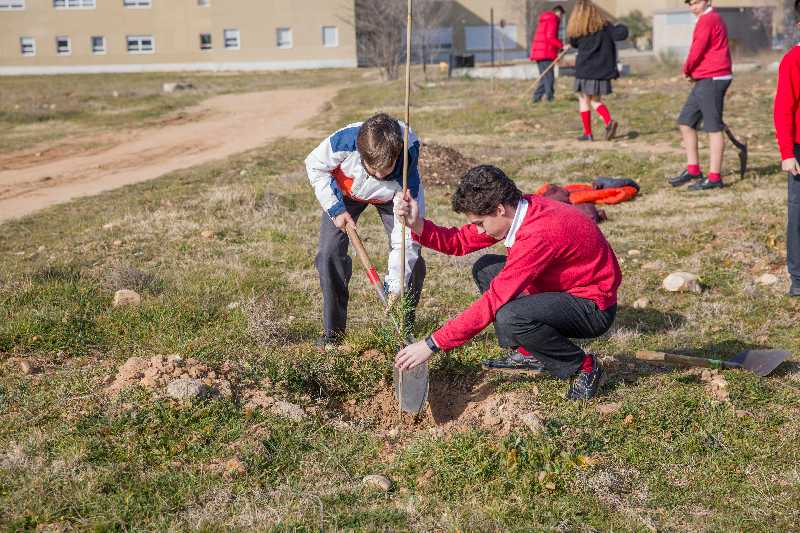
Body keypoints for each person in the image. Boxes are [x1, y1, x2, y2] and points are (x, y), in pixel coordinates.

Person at [393, 165, 621, 400]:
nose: (479, 229)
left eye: (480, 223)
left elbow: (492, 302)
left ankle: (584, 367)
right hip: (558, 288)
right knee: (486, 268)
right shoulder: (521, 210)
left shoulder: (538, 233)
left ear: (499, 209)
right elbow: (459, 242)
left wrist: (431, 344)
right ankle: (530, 352)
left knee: (511, 316)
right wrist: (416, 223)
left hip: (592, 306)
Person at [305, 113, 427, 348]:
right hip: (345, 194)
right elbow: (315, 165)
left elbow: (406, 238)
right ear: (361, 155)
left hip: (392, 197)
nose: (380, 176)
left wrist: (394, 286)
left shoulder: (407, 173)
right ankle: (334, 334)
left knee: (413, 260)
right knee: (328, 253)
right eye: (373, 169)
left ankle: (403, 327)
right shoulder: (345, 141)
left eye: (387, 169)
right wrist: (336, 209)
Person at [669, 0, 732, 191]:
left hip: (714, 77)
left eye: (696, 2)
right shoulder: (709, 18)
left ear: (707, 1)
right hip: (705, 77)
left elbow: (698, 49)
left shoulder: (708, 19)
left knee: (713, 128)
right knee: (686, 122)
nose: (693, 7)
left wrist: (687, 70)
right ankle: (693, 170)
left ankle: (714, 178)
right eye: (690, 3)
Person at [567, 0, 627, 142]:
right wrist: (619, 25)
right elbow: (621, 34)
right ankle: (608, 122)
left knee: (583, 99)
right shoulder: (605, 27)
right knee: (595, 100)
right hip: (602, 71)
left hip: (585, 70)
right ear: (595, 13)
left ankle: (588, 133)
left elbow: (574, 43)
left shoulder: (577, 30)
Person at [773, 0, 800, 297]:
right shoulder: (793, 60)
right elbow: (783, 109)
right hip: (799, 150)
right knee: (799, 213)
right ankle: (798, 277)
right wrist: (787, 153)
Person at [529, 5, 565, 103]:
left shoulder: (546, 19)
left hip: (539, 52)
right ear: (558, 13)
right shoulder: (553, 19)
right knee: (549, 77)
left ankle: (536, 98)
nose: (561, 18)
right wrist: (561, 45)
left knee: (544, 77)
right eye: (561, 15)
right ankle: (550, 98)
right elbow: (550, 37)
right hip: (545, 53)